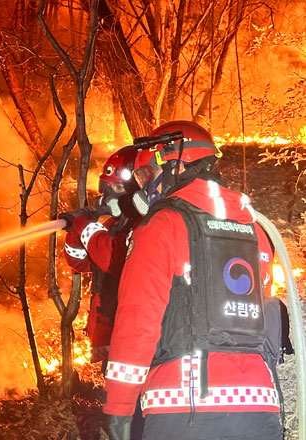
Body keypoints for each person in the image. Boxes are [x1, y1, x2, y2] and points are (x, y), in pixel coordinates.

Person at [103, 121, 284, 440]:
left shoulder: (163, 226)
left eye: (147, 176)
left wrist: (118, 410)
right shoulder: (256, 231)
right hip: (260, 407)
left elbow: (137, 323)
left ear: (171, 164)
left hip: (184, 408)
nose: (145, 187)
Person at [61, 144, 141, 363]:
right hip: (110, 331)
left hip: (130, 334)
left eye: (116, 190)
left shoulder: (144, 224)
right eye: (107, 189)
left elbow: (109, 258)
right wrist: (77, 231)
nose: (107, 197)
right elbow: (79, 262)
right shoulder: (113, 224)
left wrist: (81, 223)